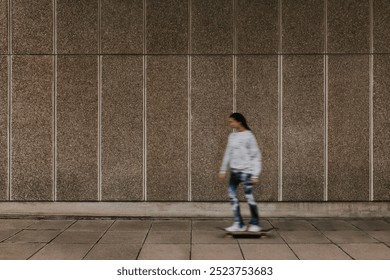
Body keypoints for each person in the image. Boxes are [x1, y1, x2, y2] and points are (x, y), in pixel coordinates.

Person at [218, 112, 262, 232]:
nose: (230, 124)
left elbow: (256, 156)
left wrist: (255, 174)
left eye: (231, 121)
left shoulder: (249, 136)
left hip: (246, 172)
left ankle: (255, 223)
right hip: (234, 172)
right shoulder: (232, 136)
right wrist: (223, 169)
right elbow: (228, 153)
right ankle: (239, 223)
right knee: (232, 196)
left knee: (249, 197)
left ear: (239, 121)